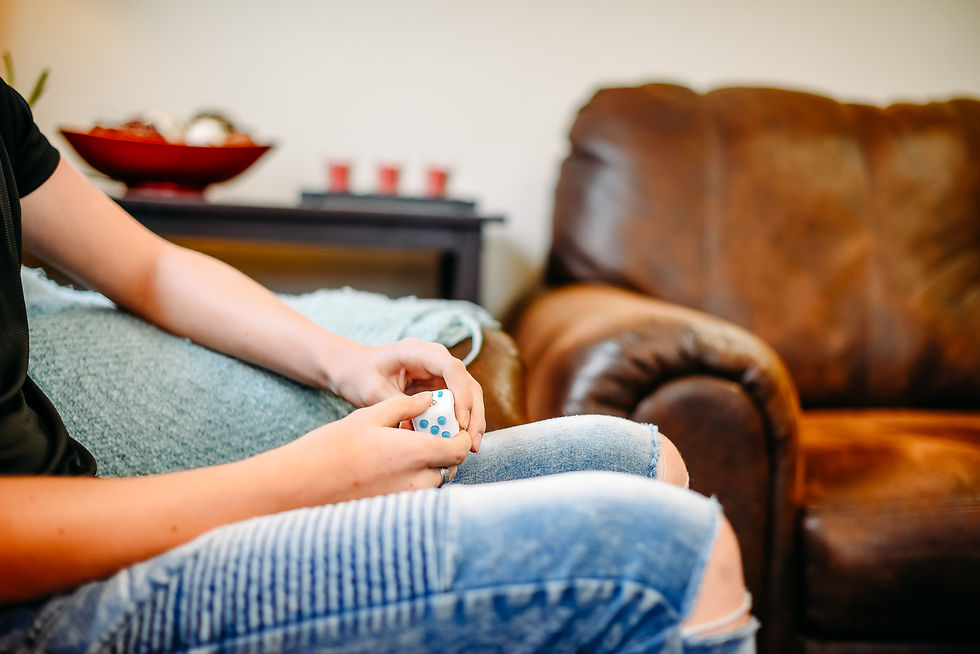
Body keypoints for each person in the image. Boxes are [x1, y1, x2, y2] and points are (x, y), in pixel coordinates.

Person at [0, 78, 757, 653]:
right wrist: (302, 482)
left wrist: (349, 363)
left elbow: (150, 270)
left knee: (640, 460)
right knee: (680, 553)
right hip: (42, 614)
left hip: (93, 528)